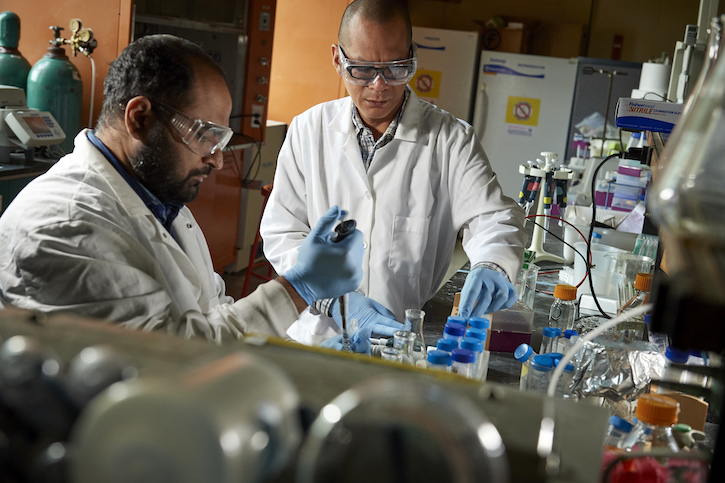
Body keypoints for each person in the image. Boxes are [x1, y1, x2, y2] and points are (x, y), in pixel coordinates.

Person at [0, 34, 365, 343]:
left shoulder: (162, 202)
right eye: (205, 136)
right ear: (139, 118)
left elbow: (214, 309)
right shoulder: (62, 223)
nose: (218, 160)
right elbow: (167, 354)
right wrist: (298, 289)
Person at [260, 0, 526, 346]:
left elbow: (494, 217)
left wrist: (492, 263)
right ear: (338, 59)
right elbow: (283, 233)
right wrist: (337, 302)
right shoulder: (308, 130)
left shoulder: (451, 140)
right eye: (362, 69)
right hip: (315, 333)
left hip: (401, 337)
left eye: (395, 68)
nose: (379, 86)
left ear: (413, 57)